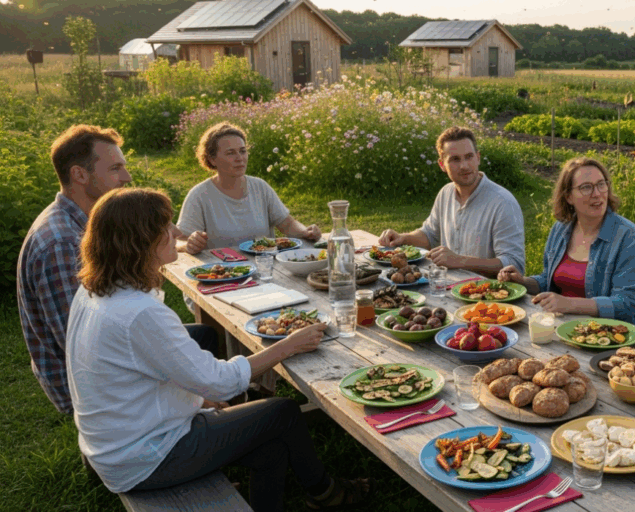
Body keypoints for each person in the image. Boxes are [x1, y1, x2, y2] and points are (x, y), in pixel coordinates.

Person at [66, 188, 372, 510]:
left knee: (267, 438)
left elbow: (158, 363)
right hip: (145, 456)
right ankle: (326, 494)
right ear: (139, 242)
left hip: (117, 438)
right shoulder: (139, 313)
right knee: (282, 412)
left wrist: (202, 396)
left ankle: (269, 483)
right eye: (165, 228)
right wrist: (288, 345)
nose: (175, 233)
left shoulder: (94, 290)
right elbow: (221, 381)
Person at [16, 125, 218, 416]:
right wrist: (190, 396)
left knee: (203, 335)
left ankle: (223, 407)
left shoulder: (85, 222)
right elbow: (81, 348)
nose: (127, 177)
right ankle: (211, 415)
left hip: (104, 354)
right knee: (191, 349)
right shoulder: (62, 244)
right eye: (115, 168)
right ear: (80, 175)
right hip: (93, 388)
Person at [497, 157, 635, 328]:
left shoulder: (628, 237)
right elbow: (549, 281)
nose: (597, 193)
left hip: (610, 337)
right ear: (568, 196)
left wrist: (569, 304)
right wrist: (523, 282)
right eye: (586, 187)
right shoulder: (561, 229)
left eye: (601, 184)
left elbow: (627, 303)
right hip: (561, 328)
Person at [378, 126, 525, 277]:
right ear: (442, 165)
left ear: (478, 158)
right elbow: (429, 235)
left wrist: (460, 261)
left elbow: (514, 263)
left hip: (489, 295)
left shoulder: (503, 203)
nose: (464, 166)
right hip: (447, 287)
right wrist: (403, 238)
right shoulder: (445, 193)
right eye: (455, 159)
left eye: (469, 157)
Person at [176, 122, 321, 253]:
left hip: (266, 267)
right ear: (212, 159)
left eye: (242, 151)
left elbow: (287, 224)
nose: (240, 158)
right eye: (230, 153)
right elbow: (179, 241)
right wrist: (188, 245)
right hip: (223, 274)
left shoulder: (260, 187)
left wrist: (305, 232)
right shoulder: (200, 195)